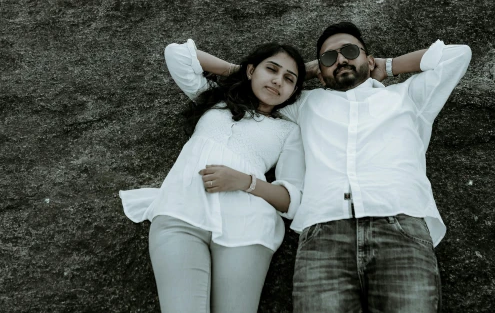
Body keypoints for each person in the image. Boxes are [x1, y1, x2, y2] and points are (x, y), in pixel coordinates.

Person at [278, 22, 472, 313]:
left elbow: (458, 55)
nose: (341, 60)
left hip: (401, 227)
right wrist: (301, 70)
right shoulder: (305, 104)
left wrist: (390, 66)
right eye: (329, 58)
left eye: (350, 51)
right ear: (320, 73)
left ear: (368, 59)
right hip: (324, 235)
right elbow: (251, 90)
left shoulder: (408, 96)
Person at [119, 39, 307, 313]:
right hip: (181, 213)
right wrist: (240, 70)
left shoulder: (289, 131)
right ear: (252, 70)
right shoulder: (214, 101)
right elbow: (178, 54)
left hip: (247, 227)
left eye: (289, 79)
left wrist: (245, 181)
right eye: (272, 70)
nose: (278, 81)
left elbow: (292, 201)